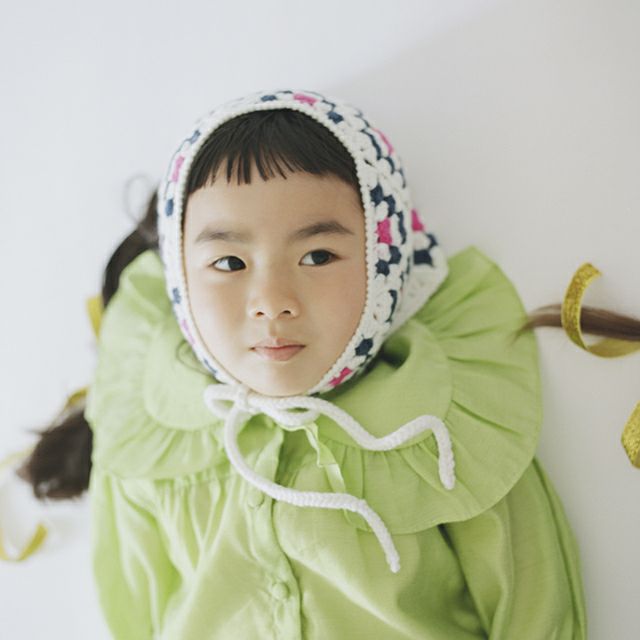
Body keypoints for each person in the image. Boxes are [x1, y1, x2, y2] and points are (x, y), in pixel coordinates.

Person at [11, 87, 640, 639]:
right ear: (180, 279)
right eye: (229, 263)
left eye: (317, 257)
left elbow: (533, 609)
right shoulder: (154, 436)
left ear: (383, 262)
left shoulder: (441, 427)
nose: (271, 301)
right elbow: (137, 612)